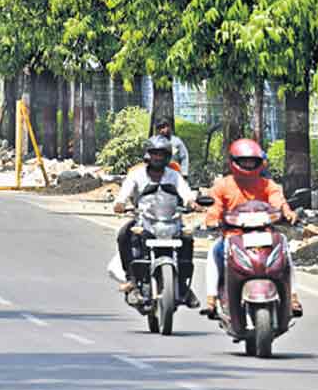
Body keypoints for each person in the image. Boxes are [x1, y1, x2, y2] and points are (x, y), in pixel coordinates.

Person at [200, 138, 302, 317]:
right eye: (244, 161)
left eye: (251, 161)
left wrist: (287, 212)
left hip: (265, 234)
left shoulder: (267, 185)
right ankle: (212, 298)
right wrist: (212, 219)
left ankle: (292, 296)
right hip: (233, 235)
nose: (248, 165)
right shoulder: (222, 185)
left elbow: (278, 201)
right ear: (234, 162)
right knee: (214, 251)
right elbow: (215, 207)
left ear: (259, 163)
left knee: (285, 248)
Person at [112, 136, 199, 306]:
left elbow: (186, 193)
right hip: (144, 220)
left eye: (162, 154)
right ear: (148, 155)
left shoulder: (174, 176)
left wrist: (191, 202)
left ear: (167, 157)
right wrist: (120, 203)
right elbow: (124, 194)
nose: (158, 158)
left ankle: (182, 286)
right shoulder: (136, 175)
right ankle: (131, 279)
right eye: (154, 154)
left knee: (188, 238)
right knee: (124, 234)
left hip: (171, 220)